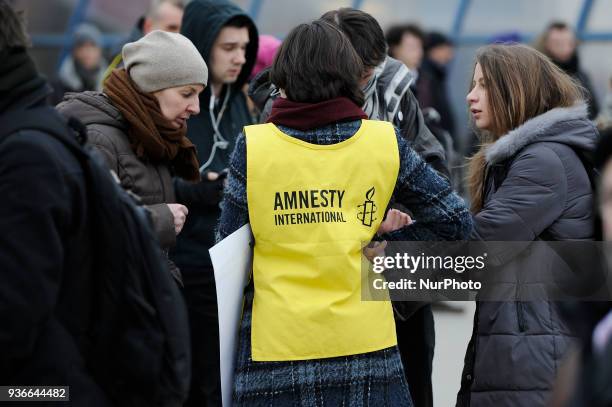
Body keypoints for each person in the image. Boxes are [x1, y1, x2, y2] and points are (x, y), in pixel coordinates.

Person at [217, 19, 472, 406]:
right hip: (366, 343)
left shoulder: (253, 147)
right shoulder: (384, 142)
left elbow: (228, 250)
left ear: (285, 78)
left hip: (277, 346)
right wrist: (388, 246)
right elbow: (456, 222)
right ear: (349, 75)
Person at [0, 2, 190, 405]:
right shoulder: (88, 136)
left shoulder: (29, 150)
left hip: (61, 379)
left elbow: (17, 319)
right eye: (187, 93)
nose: (192, 106)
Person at [458, 44, 598, 407]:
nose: (471, 96)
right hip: (525, 346)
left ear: (517, 89)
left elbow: (476, 249)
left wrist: (385, 265)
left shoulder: (544, 160)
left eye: (484, 85)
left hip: (533, 357)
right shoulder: (522, 157)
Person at [57, 30, 208, 281]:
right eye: (186, 93)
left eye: (198, 95)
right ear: (151, 87)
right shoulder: (99, 138)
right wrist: (159, 221)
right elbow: (83, 231)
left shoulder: (150, 133)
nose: (196, 107)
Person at [173, 0, 258, 405]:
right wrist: (196, 190)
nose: (239, 58)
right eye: (228, 47)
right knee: (194, 376)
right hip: (186, 261)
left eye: (244, 48)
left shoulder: (243, 102)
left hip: (234, 261)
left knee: (225, 377)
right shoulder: (176, 102)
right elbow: (144, 180)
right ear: (202, 44)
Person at [103, 0, 185, 80]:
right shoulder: (126, 57)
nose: (178, 35)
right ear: (148, 26)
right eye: (172, 28)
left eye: (182, 30)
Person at [536, 21, 599, 119]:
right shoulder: (539, 76)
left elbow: (594, 109)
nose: (565, 48)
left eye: (569, 42)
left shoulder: (582, 75)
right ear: (546, 44)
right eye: (557, 43)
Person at [51, 23, 108, 104]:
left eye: (92, 45)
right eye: (82, 46)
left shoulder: (110, 84)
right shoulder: (58, 86)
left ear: (100, 50)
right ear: (74, 51)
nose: (87, 52)